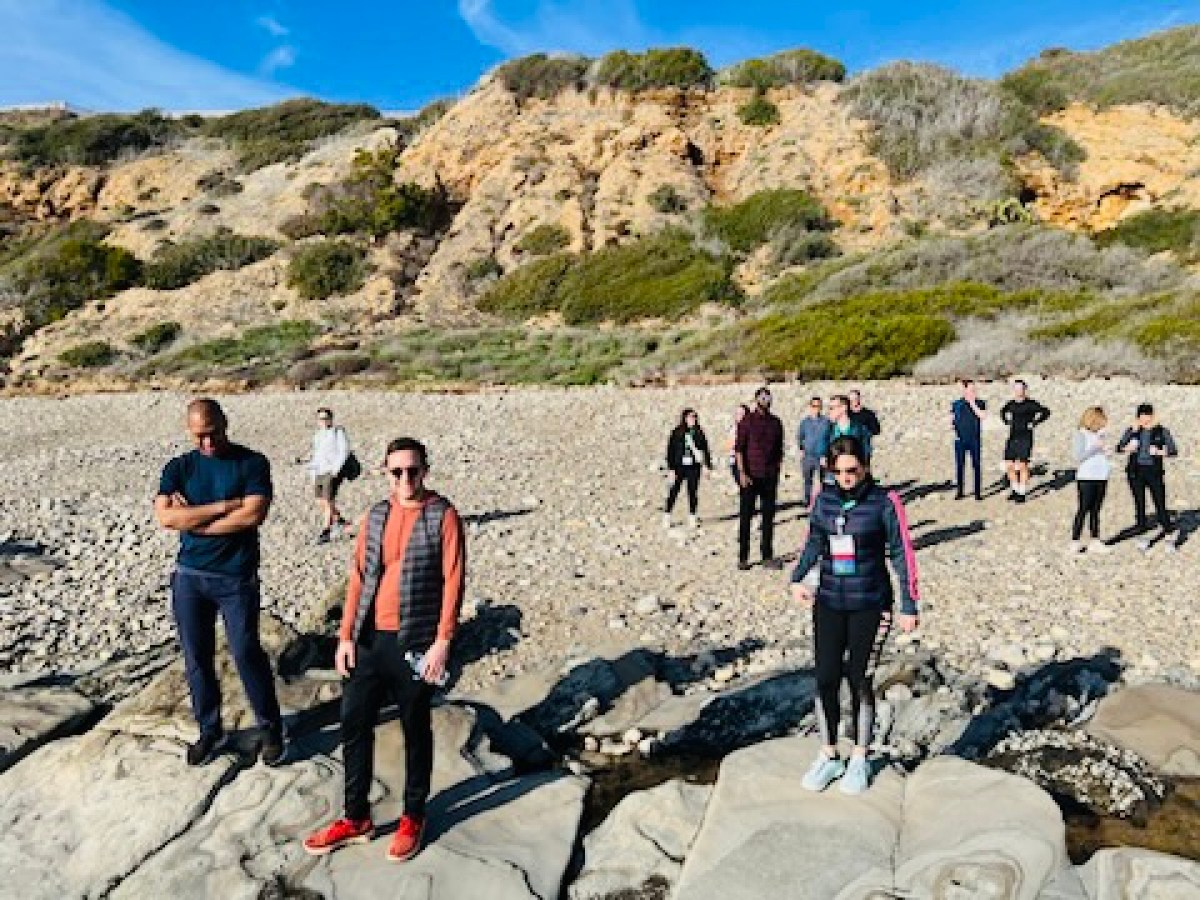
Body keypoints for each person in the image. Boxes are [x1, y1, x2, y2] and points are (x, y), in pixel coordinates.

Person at [304, 437, 465, 862]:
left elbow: (453, 580)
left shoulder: (442, 515)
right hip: (369, 639)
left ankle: (414, 815)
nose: (406, 479)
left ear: (425, 470)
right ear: (385, 472)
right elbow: (358, 577)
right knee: (353, 725)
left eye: (413, 471)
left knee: (415, 729)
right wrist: (344, 638)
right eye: (397, 472)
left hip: (415, 641)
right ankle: (356, 818)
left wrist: (443, 641)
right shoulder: (376, 515)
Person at [153, 398, 285, 767]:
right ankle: (210, 730)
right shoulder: (179, 467)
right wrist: (223, 507)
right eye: (200, 437)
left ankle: (271, 728)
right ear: (189, 431)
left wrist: (191, 518)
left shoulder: (251, 462)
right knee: (196, 657)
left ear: (225, 422)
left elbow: (253, 515)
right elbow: (164, 517)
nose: (208, 443)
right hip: (189, 577)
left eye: (213, 433)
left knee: (245, 652)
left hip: (236, 578)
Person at [790, 436, 919, 795]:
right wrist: (797, 578)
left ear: (865, 466)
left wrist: (909, 604)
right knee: (826, 678)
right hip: (829, 600)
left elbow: (902, 553)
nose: (846, 477)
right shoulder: (823, 500)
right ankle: (829, 753)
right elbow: (813, 541)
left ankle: (860, 757)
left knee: (859, 678)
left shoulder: (885, 502)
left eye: (852, 470)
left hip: (871, 603)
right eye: (839, 471)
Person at [1117, 403, 1179, 552]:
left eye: (1147, 416)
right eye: (1142, 416)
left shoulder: (1161, 431)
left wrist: (1159, 452)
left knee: (1160, 503)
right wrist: (1127, 448)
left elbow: (1173, 450)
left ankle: (1169, 535)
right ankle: (1142, 534)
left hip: (1154, 472)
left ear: (1152, 416)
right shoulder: (1133, 431)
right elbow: (1119, 447)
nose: (1145, 419)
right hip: (1135, 472)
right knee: (1139, 504)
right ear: (1138, 417)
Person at [735, 386, 784, 570]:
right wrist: (742, 473)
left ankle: (767, 555)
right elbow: (739, 449)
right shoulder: (746, 422)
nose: (765, 400)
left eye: (767, 397)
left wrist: (777, 470)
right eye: (762, 397)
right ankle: (743, 557)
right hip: (750, 475)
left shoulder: (776, 423)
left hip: (769, 476)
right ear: (756, 400)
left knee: (768, 517)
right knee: (746, 517)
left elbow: (779, 449)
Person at [1000, 380, 1050, 503]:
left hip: (1025, 437)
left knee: (1023, 465)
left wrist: (1035, 423)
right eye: (1016, 389)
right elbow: (1003, 411)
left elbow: (1045, 412)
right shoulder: (1011, 404)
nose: (1018, 391)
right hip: (1013, 437)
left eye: (1021, 389)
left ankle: (1022, 493)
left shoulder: (1030, 404)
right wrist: (1007, 421)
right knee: (1009, 464)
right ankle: (1015, 489)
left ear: (1025, 390)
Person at [1071, 406, 1112, 554]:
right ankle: (1075, 540)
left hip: (1101, 475)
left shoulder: (1099, 435)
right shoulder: (1081, 434)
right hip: (1087, 477)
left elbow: (1101, 453)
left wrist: (1106, 452)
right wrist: (1095, 448)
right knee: (1083, 508)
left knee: (1096, 510)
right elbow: (1078, 456)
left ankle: (1095, 539)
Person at [663, 408, 713, 529]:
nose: (693, 419)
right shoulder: (677, 432)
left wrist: (707, 466)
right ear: (685, 418)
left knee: (692, 492)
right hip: (679, 466)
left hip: (694, 467)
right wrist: (671, 468)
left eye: (695, 417)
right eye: (691, 417)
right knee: (674, 491)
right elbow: (670, 450)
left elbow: (705, 449)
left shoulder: (699, 433)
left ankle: (692, 516)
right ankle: (667, 515)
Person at [309, 407, 351, 544]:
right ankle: (339, 521)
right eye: (320, 418)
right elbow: (316, 454)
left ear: (331, 419)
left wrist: (335, 470)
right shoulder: (317, 435)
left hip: (331, 471)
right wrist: (312, 471)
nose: (323, 421)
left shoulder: (338, 432)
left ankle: (326, 531)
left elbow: (344, 451)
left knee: (328, 501)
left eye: (326, 418)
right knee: (320, 501)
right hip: (319, 471)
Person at [951, 380, 986, 500]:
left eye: (974, 390)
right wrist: (953, 431)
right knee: (960, 466)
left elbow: (982, 416)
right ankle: (960, 491)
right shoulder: (957, 404)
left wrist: (972, 403)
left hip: (974, 438)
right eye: (971, 390)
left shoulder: (980, 403)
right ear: (964, 390)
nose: (973, 392)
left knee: (976, 465)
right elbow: (952, 419)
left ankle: (977, 492)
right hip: (960, 439)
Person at [797, 396, 832, 508]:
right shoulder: (804, 422)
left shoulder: (826, 422)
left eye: (818, 406)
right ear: (810, 407)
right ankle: (807, 501)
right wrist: (801, 449)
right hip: (808, 456)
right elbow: (800, 436)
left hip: (822, 456)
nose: (816, 408)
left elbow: (830, 438)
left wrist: (826, 455)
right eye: (814, 406)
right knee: (807, 480)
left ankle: (823, 501)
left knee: (823, 480)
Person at [828, 394, 872, 460]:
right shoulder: (829, 429)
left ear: (844, 408)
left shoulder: (861, 429)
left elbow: (866, 451)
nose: (829, 411)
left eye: (832, 408)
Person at [726, 405, 749, 487]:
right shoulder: (732, 429)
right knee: (740, 484)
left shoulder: (750, 428)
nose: (740, 416)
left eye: (743, 413)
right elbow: (728, 446)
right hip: (734, 459)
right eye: (738, 413)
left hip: (747, 460)